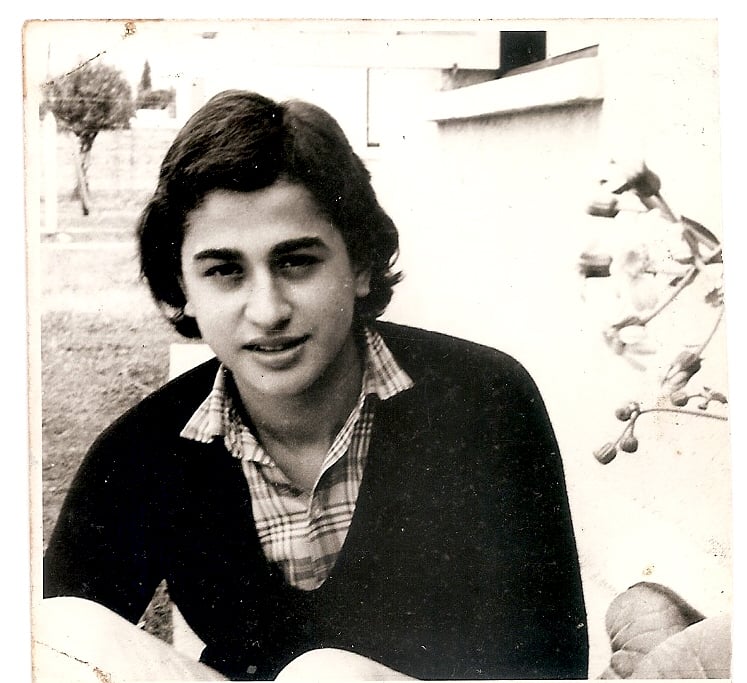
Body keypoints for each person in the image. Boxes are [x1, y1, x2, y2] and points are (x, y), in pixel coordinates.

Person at [43, 89, 589, 680]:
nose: (267, 310)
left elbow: (551, 661)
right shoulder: (142, 453)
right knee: (56, 627)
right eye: (225, 271)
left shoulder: (483, 401)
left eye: (296, 261)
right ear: (182, 289)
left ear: (360, 265)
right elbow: (55, 647)